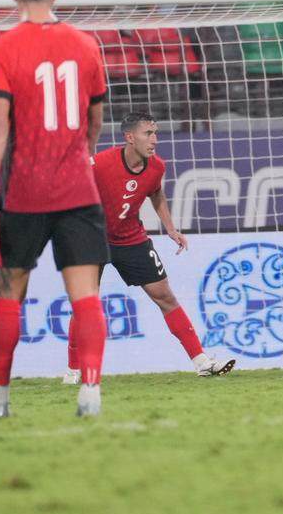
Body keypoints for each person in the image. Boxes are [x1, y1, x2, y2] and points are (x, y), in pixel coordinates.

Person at [0, 0, 111, 420]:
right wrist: (80, 155)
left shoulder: (0, 48)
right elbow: (96, 119)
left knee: (9, 291)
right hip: (77, 191)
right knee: (85, 295)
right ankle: (90, 393)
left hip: (24, 192)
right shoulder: (87, 45)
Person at [90, 112, 235, 379]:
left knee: (165, 296)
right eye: (148, 133)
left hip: (131, 238)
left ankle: (201, 361)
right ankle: (75, 370)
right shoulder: (100, 163)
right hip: (93, 238)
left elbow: (156, 193)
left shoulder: (157, 166)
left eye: (155, 133)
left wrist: (170, 228)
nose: (154, 139)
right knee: (85, 303)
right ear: (130, 137)